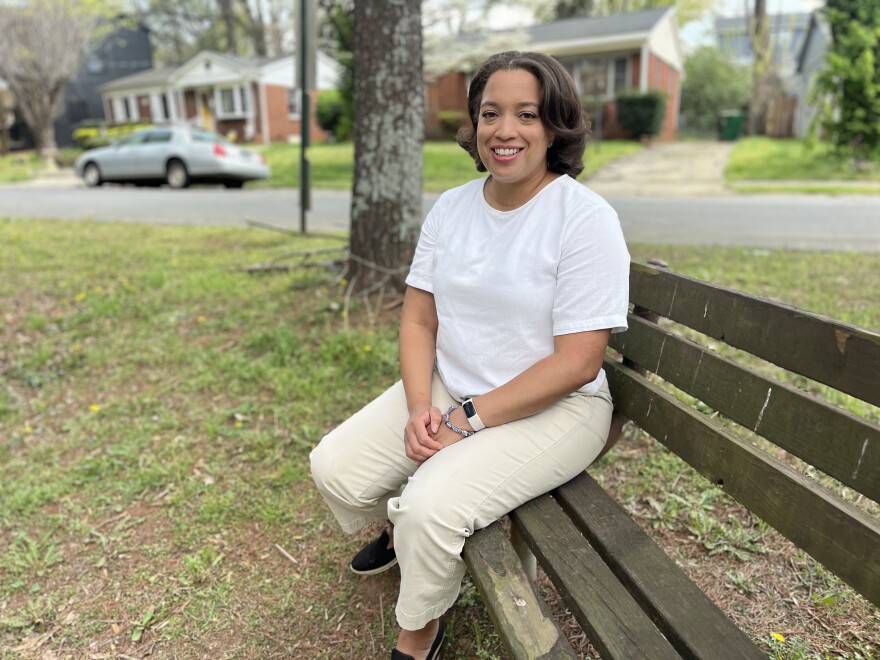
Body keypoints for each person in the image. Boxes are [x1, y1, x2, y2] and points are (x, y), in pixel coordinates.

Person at [310, 50, 630, 660]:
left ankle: (420, 629)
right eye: (490, 113)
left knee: (429, 510)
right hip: (452, 384)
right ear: (474, 125)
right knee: (336, 471)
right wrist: (419, 407)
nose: (504, 130)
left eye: (526, 114)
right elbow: (418, 317)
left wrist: (466, 420)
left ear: (556, 126)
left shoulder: (584, 219)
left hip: (556, 408)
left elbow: (578, 363)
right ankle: (404, 537)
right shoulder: (453, 207)